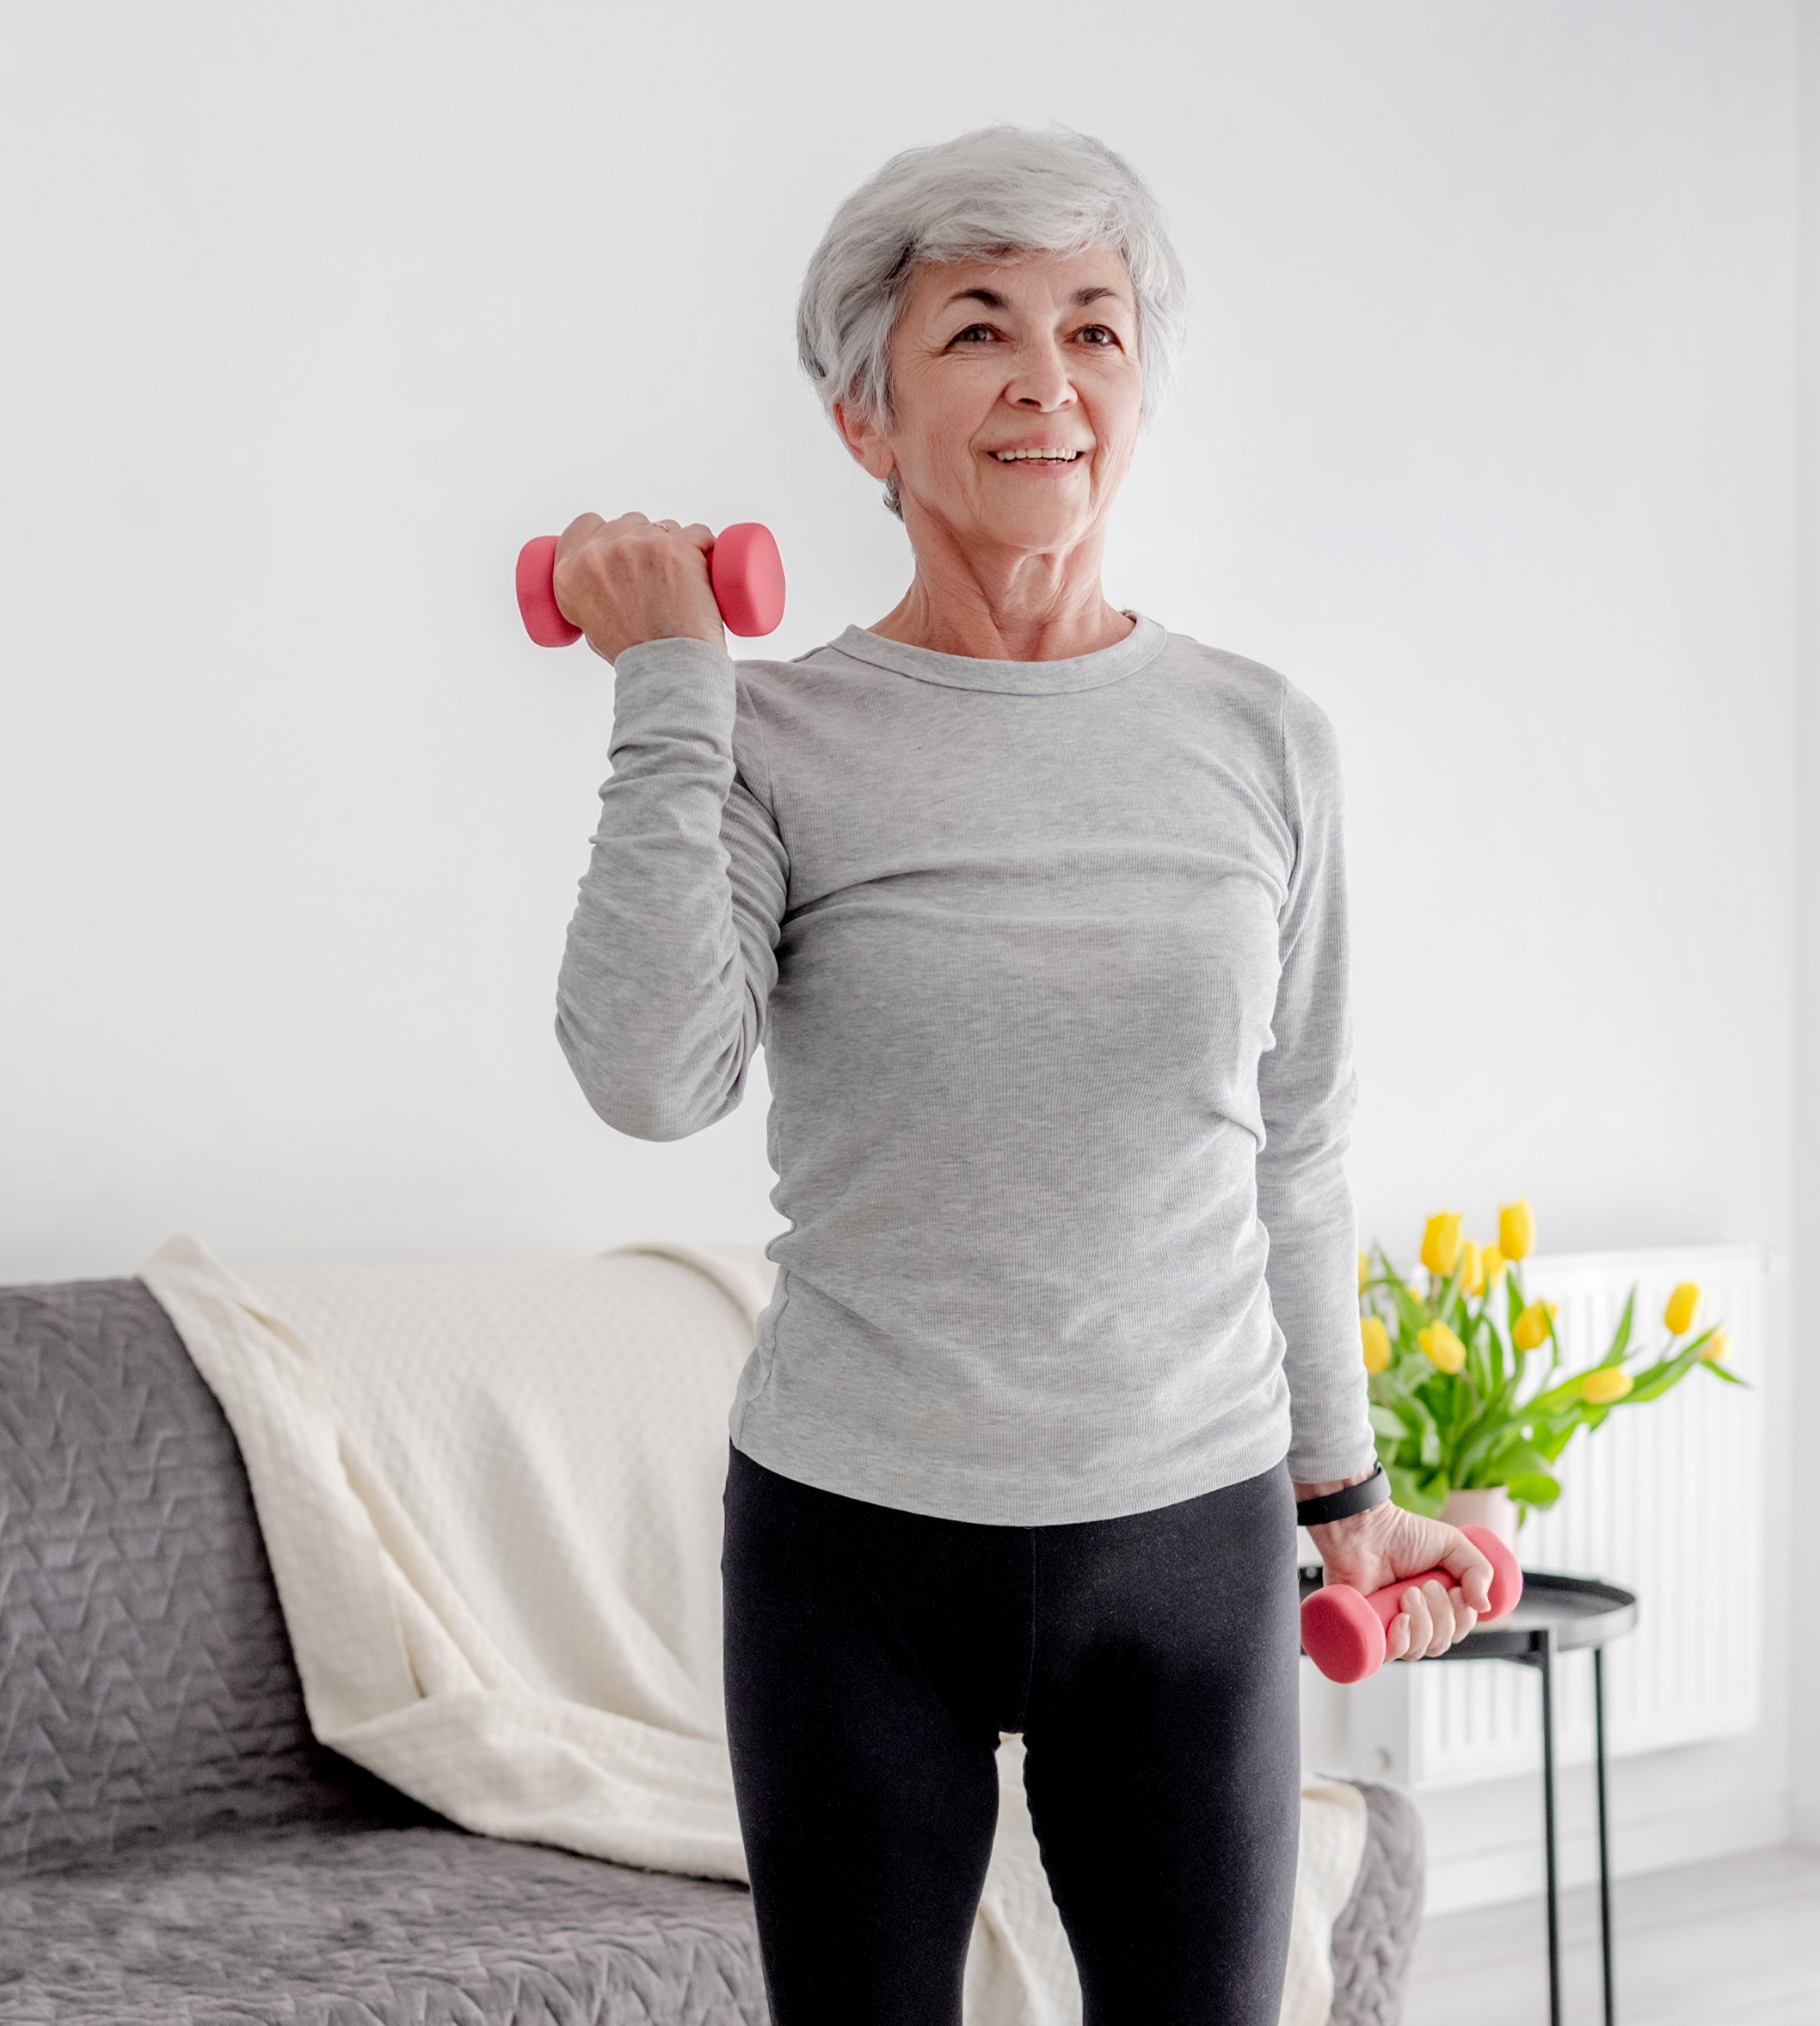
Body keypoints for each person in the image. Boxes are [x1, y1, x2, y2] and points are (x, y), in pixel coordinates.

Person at [549, 124, 1494, 2026]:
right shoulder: (777, 732)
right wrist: (669, 687)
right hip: (854, 1540)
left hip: (1190, 1529)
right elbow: (654, 1079)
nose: (1048, 379)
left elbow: (1293, 1141)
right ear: (866, 417)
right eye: (978, 327)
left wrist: (1348, 1490)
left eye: (1096, 328)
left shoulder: (1260, 738)